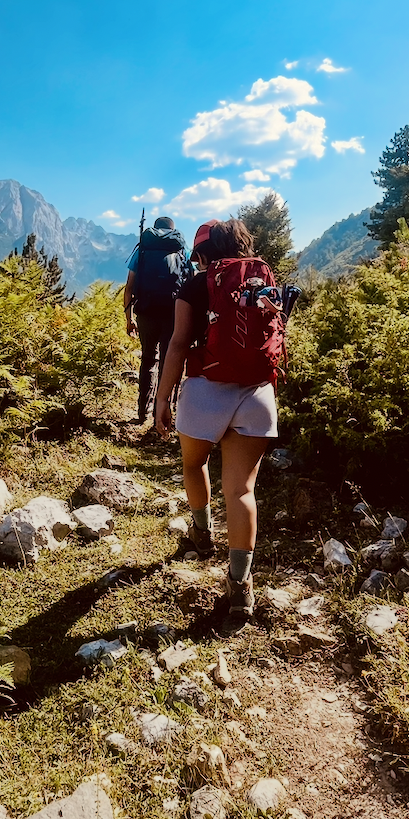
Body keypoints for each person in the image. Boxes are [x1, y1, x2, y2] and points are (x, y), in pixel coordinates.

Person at [154, 218, 280, 622]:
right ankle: (240, 586)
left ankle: (202, 534)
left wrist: (162, 398)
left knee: (195, 463)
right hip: (257, 393)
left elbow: (177, 344)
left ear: (205, 253)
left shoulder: (194, 284)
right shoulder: (264, 282)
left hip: (206, 391)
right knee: (241, 492)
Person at [123, 215, 191, 424]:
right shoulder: (181, 249)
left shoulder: (143, 249)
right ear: (173, 230)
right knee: (168, 362)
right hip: (173, 314)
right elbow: (191, 283)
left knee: (147, 360)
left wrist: (129, 318)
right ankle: (162, 415)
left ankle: (142, 412)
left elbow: (129, 288)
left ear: (154, 229)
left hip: (146, 312)